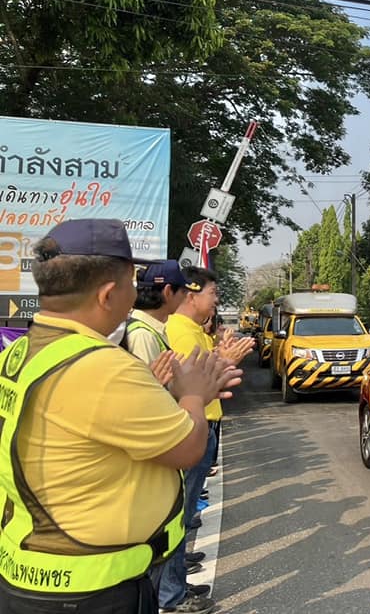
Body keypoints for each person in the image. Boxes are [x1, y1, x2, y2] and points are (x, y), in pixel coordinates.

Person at [0, 219, 239, 614]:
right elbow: (188, 448)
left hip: (26, 569)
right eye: (132, 282)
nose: (137, 293)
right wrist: (194, 396)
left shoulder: (18, 353)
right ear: (108, 294)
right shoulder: (103, 367)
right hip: (91, 587)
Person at [124, 261, 213, 612]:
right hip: (162, 442)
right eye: (182, 291)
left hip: (168, 436)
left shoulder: (153, 330)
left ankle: (172, 587)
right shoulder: (143, 334)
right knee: (165, 522)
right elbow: (148, 396)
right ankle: (170, 595)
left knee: (174, 519)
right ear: (167, 292)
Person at [165, 267, 253, 613]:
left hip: (204, 422)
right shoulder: (180, 332)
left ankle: (176, 577)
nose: (216, 300)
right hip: (190, 425)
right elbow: (194, 383)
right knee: (178, 514)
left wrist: (219, 352)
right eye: (213, 293)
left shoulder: (192, 330)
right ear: (191, 295)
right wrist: (224, 361)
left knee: (184, 514)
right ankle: (171, 593)